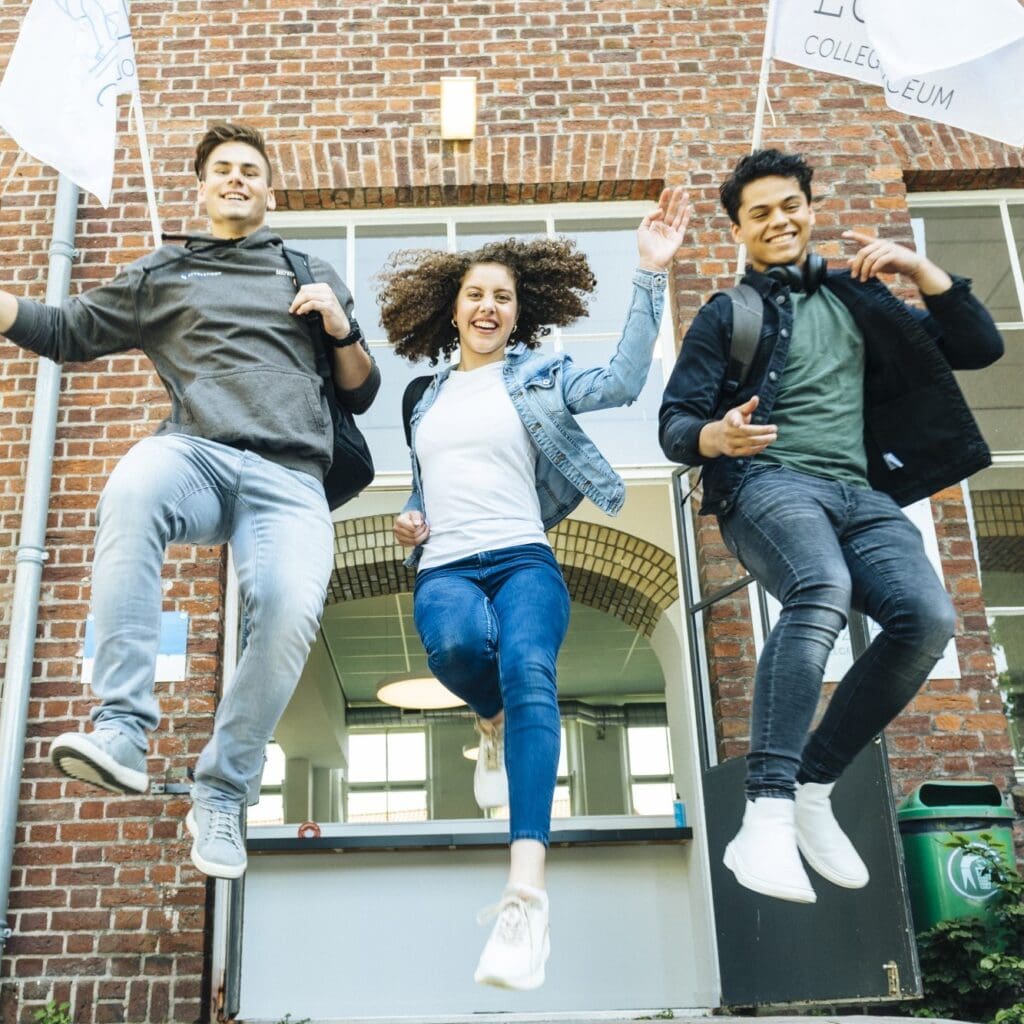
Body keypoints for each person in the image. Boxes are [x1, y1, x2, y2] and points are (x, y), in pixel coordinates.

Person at [0, 121, 380, 880]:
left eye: (250, 170)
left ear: (268, 190)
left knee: (286, 608)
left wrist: (340, 327)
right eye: (223, 170)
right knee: (134, 484)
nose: (237, 180)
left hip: (291, 478)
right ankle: (121, 732)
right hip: (198, 454)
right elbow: (69, 330)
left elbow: (361, 390)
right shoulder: (164, 273)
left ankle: (224, 791)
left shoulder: (305, 270)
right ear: (201, 187)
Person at [659, 149, 1003, 904]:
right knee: (820, 587)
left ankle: (813, 788)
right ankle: (768, 811)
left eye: (790, 205)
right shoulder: (730, 313)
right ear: (740, 230)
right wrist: (721, 436)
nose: (778, 220)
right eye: (760, 213)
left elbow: (981, 347)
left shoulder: (866, 299)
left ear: (810, 210)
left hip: (862, 493)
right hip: (767, 483)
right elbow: (676, 426)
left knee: (926, 619)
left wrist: (920, 270)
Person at [379, 186, 690, 990]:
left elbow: (623, 381)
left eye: (503, 298)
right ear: (452, 310)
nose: (488, 306)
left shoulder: (541, 376)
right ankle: (488, 720)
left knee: (529, 669)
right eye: (476, 295)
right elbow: (428, 486)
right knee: (454, 648)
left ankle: (526, 894)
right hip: (447, 563)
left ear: (519, 314)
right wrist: (412, 519)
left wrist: (650, 272)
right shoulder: (423, 396)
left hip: (524, 557)